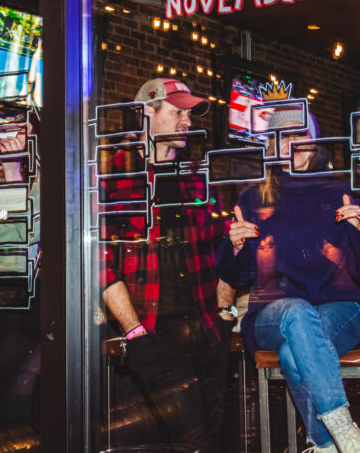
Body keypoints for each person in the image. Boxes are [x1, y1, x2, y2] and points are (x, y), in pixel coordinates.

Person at [217, 107, 360, 453]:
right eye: (283, 136)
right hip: (272, 313)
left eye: (301, 135)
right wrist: (234, 247)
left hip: (340, 306)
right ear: (271, 145)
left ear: (314, 143)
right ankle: (346, 433)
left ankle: (324, 444)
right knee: (296, 312)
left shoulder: (339, 190)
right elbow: (237, 276)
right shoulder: (254, 198)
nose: (293, 143)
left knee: (294, 356)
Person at [98, 78, 237, 452]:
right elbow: (100, 261)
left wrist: (225, 311)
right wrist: (134, 331)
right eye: (178, 113)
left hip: (208, 326)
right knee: (194, 438)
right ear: (148, 111)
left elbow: (221, 247)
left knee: (214, 429)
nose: (187, 122)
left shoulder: (196, 176)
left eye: (189, 115)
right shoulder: (112, 172)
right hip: (155, 331)